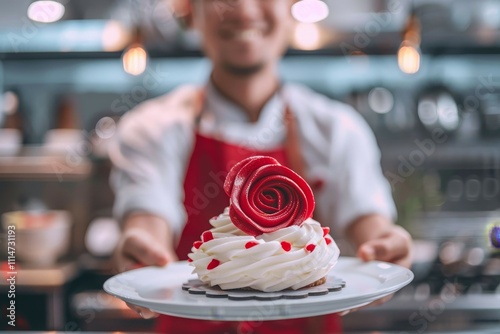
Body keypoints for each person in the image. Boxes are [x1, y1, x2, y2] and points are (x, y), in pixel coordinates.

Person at [110, 0, 413, 333]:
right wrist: (142, 245)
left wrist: (386, 246)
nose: (244, 9)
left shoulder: (336, 129)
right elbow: (148, 220)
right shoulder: (152, 128)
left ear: (291, 8)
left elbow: (369, 227)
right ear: (190, 12)